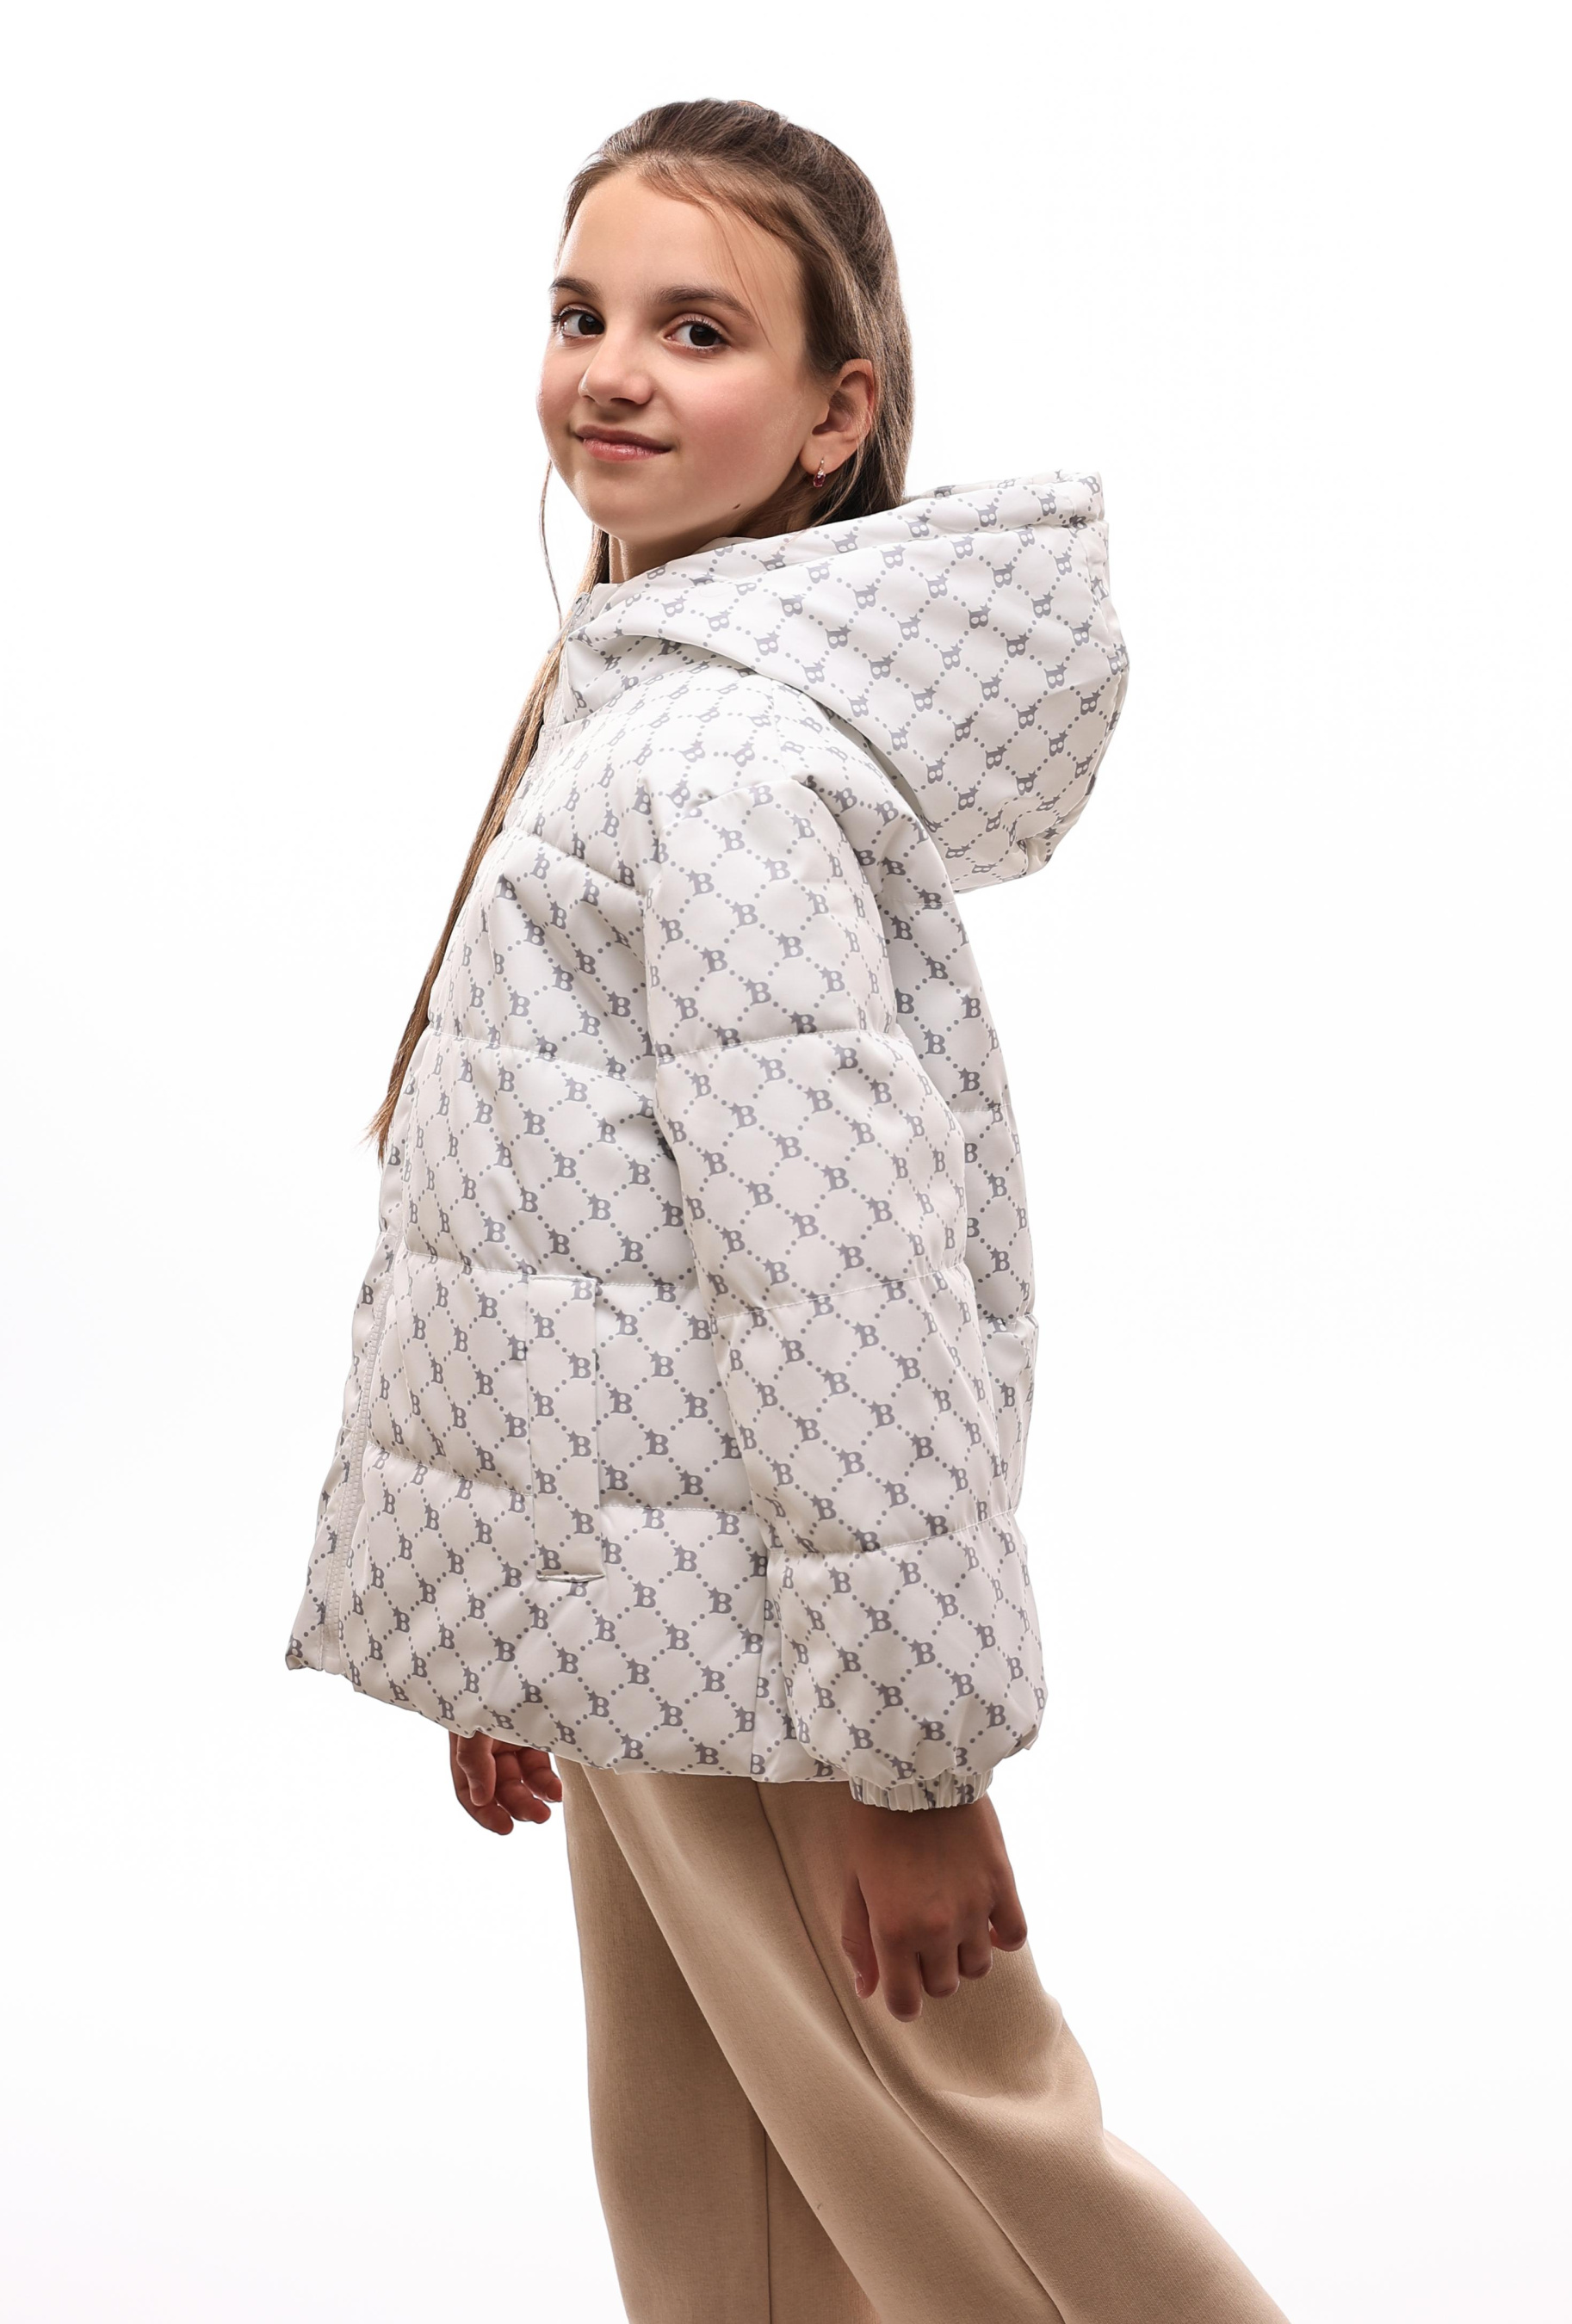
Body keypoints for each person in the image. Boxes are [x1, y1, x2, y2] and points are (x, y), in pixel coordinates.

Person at [286, 96, 1293, 2324]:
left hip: (785, 1652)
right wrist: (518, 1629)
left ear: (839, 413)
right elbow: (582, 1242)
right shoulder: (640, 713)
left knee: (968, 2150)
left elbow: (841, 1287)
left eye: (699, 329)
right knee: (723, 2186)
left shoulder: (724, 766)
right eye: (582, 313)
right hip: (659, 1621)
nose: (613, 371)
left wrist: (909, 1762)